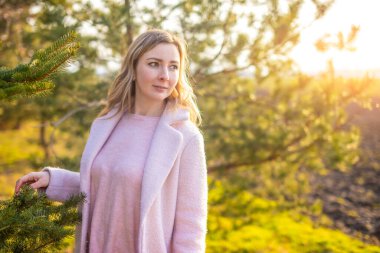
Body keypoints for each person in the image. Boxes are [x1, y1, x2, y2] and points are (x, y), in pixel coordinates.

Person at [14, 29, 208, 253]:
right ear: (133, 68)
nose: (165, 75)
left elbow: (191, 228)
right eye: (154, 64)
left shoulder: (186, 138)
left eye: (173, 66)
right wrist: (53, 180)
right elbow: (108, 186)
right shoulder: (107, 123)